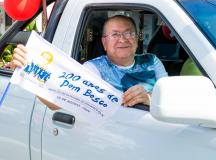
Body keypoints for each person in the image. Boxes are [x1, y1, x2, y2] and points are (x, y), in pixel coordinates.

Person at [10, 15, 167, 110]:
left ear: (137, 39)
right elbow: (60, 102)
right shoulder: (94, 68)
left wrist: (149, 98)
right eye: (115, 34)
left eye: (128, 33)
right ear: (104, 43)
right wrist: (29, 72)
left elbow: (170, 95)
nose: (123, 39)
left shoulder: (151, 61)